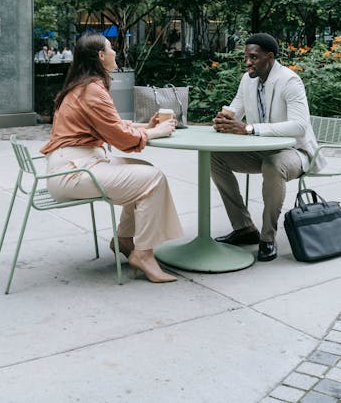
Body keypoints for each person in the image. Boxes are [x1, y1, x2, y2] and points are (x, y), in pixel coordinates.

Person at [40, 33, 183, 283]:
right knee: (154, 179)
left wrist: (142, 126)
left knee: (143, 171)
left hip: (73, 165)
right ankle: (144, 254)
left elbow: (111, 126)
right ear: (101, 56)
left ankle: (125, 240)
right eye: (111, 48)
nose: (115, 52)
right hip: (74, 171)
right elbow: (121, 137)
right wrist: (154, 131)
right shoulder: (92, 89)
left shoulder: (83, 86)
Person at [211, 33, 324, 262]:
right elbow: (236, 109)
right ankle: (244, 228)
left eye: (253, 57)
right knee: (214, 156)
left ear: (269, 57)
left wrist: (250, 129)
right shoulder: (247, 79)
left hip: (296, 152)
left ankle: (267, 237)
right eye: (246, 57)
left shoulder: (289, 81)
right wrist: (225, 119)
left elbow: (300, 126)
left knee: (274, 165)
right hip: (262, 150)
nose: (248, 62)